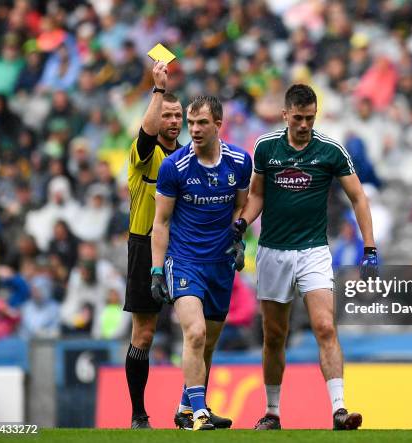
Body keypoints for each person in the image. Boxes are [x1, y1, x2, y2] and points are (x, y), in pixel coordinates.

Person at [233, 84, 378, 430]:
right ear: (285, 115)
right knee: (274, 335)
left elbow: (358, 197)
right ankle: (272, 412)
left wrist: (369, 247)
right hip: (272, 252)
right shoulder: (266, 147)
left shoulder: (330, 150)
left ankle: (340, 410)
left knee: (325, 326)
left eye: (310, 118)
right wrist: (240, 223)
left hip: (313, 250)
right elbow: (256, 195)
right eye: (298, 118)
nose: (304, 124)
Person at [150, 95, 252, 431]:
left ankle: (186, 409)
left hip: (219, 265)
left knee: (206, 342)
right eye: (190, 123)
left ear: (218, 125)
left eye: (201, 123)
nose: (193, 129)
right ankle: (200, 415)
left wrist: (239, 240)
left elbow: (241, 208)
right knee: (194, 333)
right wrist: (155, 270)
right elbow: (161, 222)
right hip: (185, 261)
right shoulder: (174, 167)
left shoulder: (239, 162)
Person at [123, 60, 183, 429]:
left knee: (197, 330)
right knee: (144, 333)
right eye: (167, 115)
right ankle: (138, 414)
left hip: (183, 249)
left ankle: (192, 409)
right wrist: (158, 90)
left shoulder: (187, 157)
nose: (173, 121)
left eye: (178, 115)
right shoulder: (143, 153)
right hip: (144, 246)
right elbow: (146, 132)